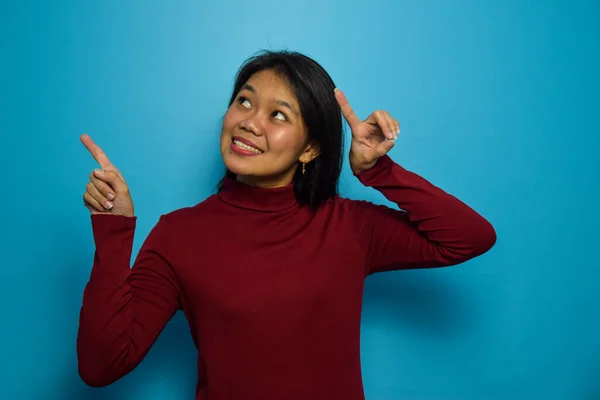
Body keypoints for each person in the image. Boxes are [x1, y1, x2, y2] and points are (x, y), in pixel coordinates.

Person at [76, 50, 496, 400]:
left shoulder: (349, 226)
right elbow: (102, 365)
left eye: (278, 115)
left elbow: (469, 238)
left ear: (310, 148)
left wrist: (379, 171)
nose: (250, 122)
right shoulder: (179, 235)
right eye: (244, 101)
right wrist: (114, 231)